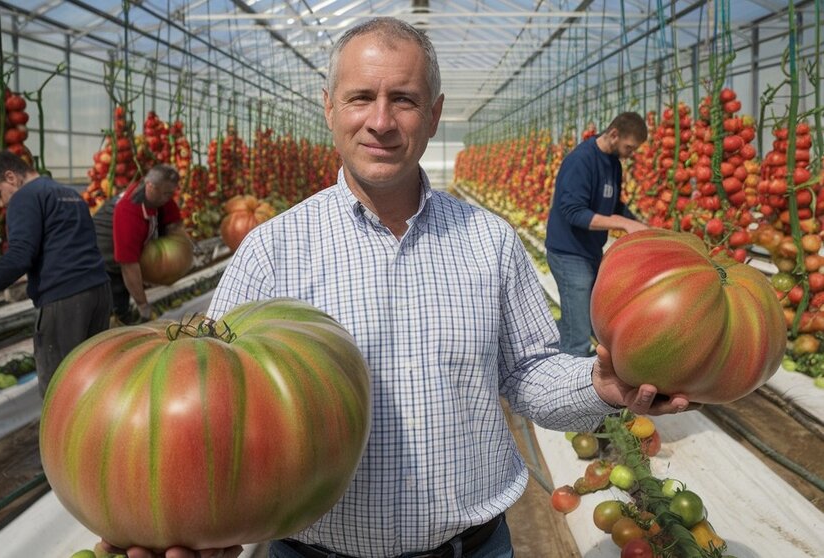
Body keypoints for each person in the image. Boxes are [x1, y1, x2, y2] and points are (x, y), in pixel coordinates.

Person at [106, 18, 689, 558]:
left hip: (473, 548)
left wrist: (600, 384)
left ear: (433, 116)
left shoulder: (490, 241)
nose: (380, 121)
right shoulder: (273, 249)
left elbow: (530, 375)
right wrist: (178, 514)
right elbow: (212, 403)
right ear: (329, 108)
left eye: (403, 100)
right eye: (361, 97)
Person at [0, 151, 112, 397]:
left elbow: (20, 255)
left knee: (60, 389)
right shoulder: (69, 194)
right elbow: (63, 247)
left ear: (11, 177)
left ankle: (62, 436)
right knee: (93, 378)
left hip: (64, 302)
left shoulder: (24, 197)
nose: (2, 203)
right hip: (98, 293)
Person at [545, 113, 650, 357]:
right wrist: (622, 223)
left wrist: (639, 224)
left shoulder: (613, 162)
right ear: (614, 134)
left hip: (590, 253)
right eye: (629, 147)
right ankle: (567, 385)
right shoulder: (581, 161)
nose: (630, 154)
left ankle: (548, 351)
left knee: (586, 320)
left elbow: (613, 204)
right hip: (569, 254)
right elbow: (574, 212)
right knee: (579, 336)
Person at [93, 164, 183, 324]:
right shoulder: (128, 211)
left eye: (171, 193)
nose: (168, 198)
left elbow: (175, 224)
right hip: (103, 260)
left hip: (127, 254)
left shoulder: (158, 196)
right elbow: (128, 266)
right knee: (116, 307)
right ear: (150, 186)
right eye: (166, 193)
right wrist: (143, 305)